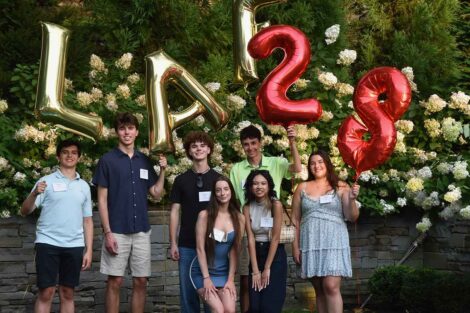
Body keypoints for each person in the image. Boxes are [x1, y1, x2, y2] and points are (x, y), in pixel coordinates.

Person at [93, 112, 167, 313]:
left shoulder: (144, 160)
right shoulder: (107, 160)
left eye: (130, 128)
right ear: (117, 132)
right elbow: (101, 200)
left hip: (141, 230)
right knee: (115, 281)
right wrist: (107, 233)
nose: (127, 132)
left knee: (141, 281)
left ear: (136, 132)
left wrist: (162, 171)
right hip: (116, 230)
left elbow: (156, 194)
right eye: (122, 128)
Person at [229, 124, 301, 313]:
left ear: (260, 143)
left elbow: (297, 168)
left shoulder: (275, 162)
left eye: (254, 143)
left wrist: (292, 142)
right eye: (246, 144)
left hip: (271, 236)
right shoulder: (237, 169)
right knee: (248, 281)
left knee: (270, 295)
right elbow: (236, 200)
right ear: (242, 146)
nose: (250, 147)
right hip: (249, 230)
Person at [20, 139, 93, 313]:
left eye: (74, 152)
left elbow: (88, 220)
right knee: (47, 292)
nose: (69, 155)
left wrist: (89, 250)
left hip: (74, 245)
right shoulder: (45, 181)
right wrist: (34, 193)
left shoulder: (83, 186)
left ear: (79, 157)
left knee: (68, 293)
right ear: (58, 156)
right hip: (48, 243)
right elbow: (25, 211)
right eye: (65, 152)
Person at [291, 150, 360, 313]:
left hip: (334, 242)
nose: (317, 166)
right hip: (311, 244)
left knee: (330, 286)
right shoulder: (302, 188)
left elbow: (352, 216)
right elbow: (295, 220)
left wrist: (352, 200)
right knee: (320, 290)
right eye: (313, 163)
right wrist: (295, 247)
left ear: (327, 164)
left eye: (320, 162)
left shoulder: (341, 186)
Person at [169, 131, 220, 313]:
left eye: (202, 145)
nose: (198, 149)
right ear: (189, 151)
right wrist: (173, 243)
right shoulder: (180, 180)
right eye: (194, 146)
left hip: (212, 245)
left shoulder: (218, 180)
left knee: (211, 293)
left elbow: (226, 213)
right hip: (187, 245)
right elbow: (175, 211)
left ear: (209, 149)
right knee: (187, 293)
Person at [189, 176, 245, 313]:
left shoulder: (240, 218)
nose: (223, 193)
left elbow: (234, 250)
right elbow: (200, 249)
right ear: (214, 194)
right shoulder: (205, 216)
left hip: (224, 273)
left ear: (231, 191)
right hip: (202, 272)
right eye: (218, 190)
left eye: (226, 189)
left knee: (230, 310)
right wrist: (206, 278)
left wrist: (231, 279)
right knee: (218, 310)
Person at [243, 170, 287, 313]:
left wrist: (267, 268)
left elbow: (275, 237)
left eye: (263, 183)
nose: (259, 187)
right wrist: (255, 270)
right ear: (250, 187)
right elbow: (250, 237)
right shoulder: (247, 207)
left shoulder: (276, 205)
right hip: (256, 253)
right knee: (255, 306)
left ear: (269, 186)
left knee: (270, 306)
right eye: (255, 183)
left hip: (274, 256)